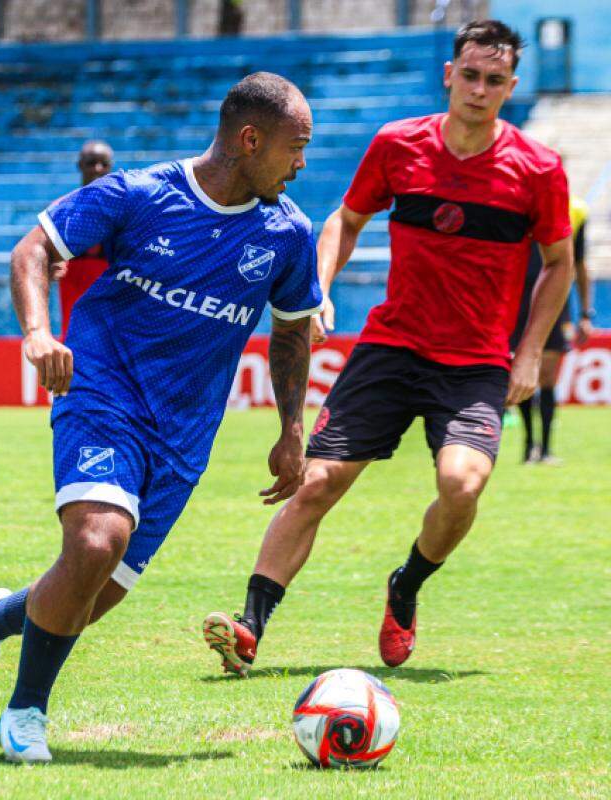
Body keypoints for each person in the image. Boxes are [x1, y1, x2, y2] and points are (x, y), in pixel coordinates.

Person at [0, 72, 323, 763]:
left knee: (91, 597)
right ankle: (26, 713)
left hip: (185, 434)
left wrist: (291, 429)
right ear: (249, 139)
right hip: (103, 394)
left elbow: (293, 332)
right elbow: (34, 250)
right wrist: (36, 334)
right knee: (94, 544)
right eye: (296, 147)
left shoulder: (289, 233)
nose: (302, 163)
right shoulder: (140, 194)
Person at [202, 20, 574, 676]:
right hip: (392, 348)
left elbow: (558, 263)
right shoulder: (398, 144)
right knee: (317, 481)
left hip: (477, 362)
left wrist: (528, 351)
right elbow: (345, 218)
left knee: (461, 484)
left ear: (511, 87)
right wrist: (319, 289)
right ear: (448, 75)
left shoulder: (538, 169)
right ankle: (250, 627)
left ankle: (405, 586)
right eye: (470, 75)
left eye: (494, 80)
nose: (479, 89)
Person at [513, 197, 592, 464]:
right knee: (522, 372)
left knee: (547, 376)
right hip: (517, 300)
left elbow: (579, 263)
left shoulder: (575, 211)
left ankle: (545, 449)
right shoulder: (514, 204)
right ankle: (528, 446)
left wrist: (585, 313)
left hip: (555, 301)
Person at [55, 140, 115, 339]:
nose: (98, 169)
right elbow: (44, 255)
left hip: (113, 315)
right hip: (75, 315)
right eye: (91, 162)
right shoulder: (63, 209)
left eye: (104, 164)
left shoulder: (123, 212)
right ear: (79, 165)